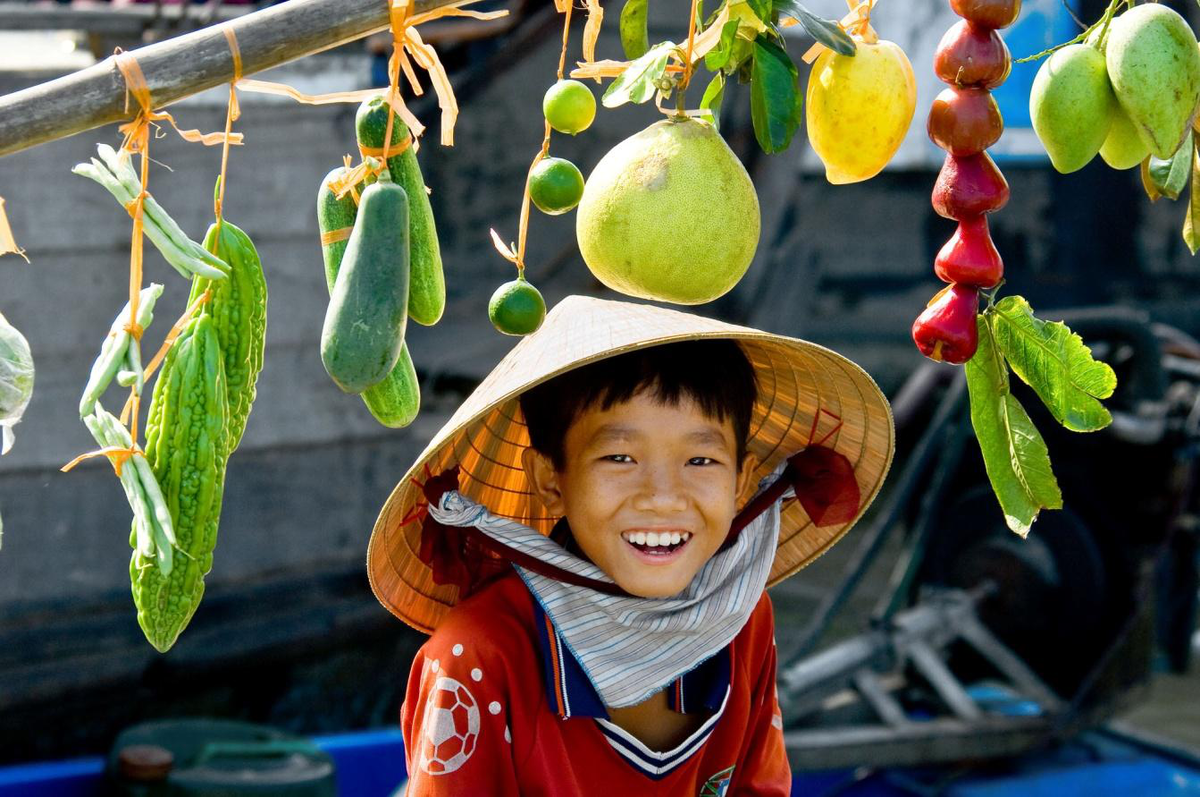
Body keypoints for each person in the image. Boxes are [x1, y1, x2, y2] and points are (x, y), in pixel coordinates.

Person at [367, 295, 894, 795]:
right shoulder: (478, 655)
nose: (663, 499)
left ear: (741, 482)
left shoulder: (741, 615)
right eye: (619, 459)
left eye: (700, 460)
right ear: (551, 480)